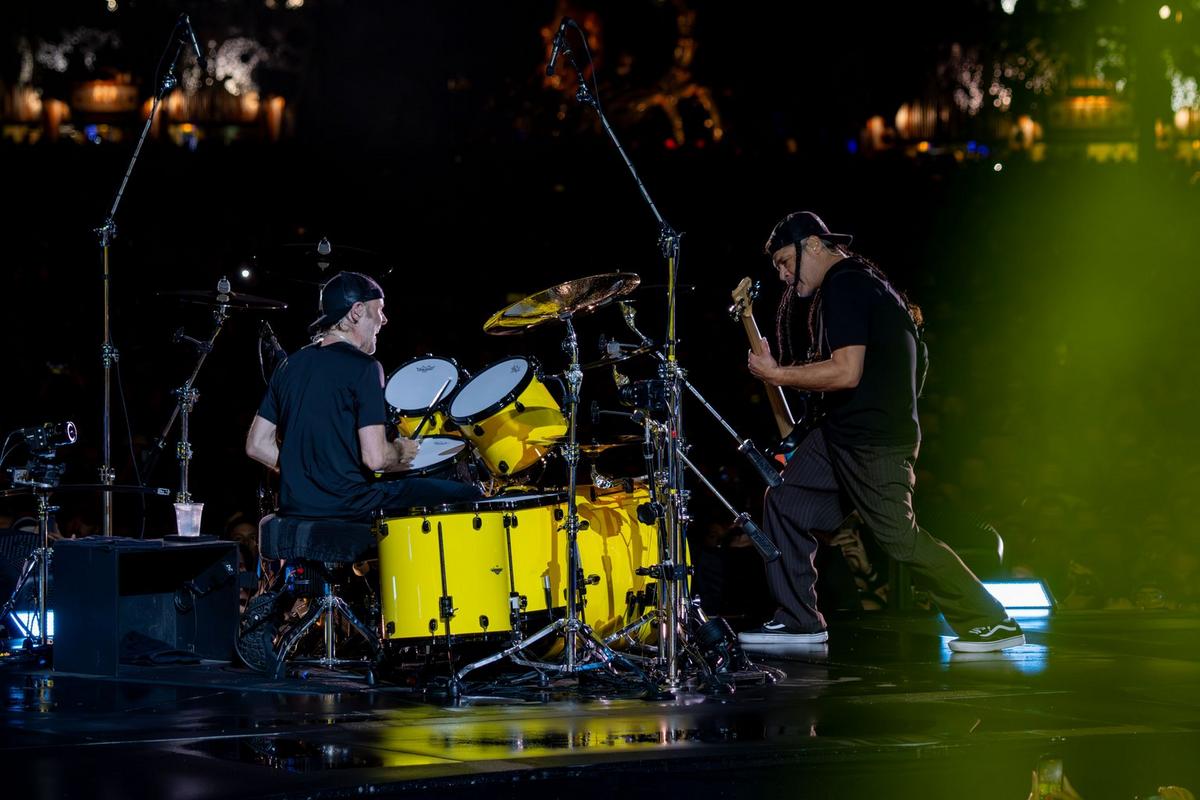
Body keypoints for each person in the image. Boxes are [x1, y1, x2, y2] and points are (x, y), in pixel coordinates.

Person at [740, 211, 1023, 653]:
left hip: (872, 441)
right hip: (841, 434)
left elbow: (846, 372)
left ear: (812, 245)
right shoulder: (853, 285)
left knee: (899, 539)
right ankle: (799, 621)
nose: (783, 275)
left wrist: (776, 375)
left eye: (785, 262)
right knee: (784, 501)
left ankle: (992, 622)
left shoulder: (847, 284)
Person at [245, 271, 480, 521]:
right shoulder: (365, 367)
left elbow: (256, 445)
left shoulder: (288, 366)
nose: (384, 319)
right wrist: (400, 451)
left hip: (296, 508)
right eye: (379, 310)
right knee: (469, 494)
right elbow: (375, 458)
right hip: (351, 506)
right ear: (357, 311)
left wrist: (304, 477)